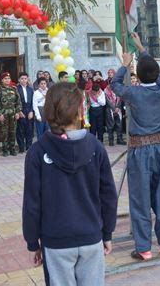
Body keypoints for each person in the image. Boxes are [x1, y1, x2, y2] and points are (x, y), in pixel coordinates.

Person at [22, 82, 117, 286]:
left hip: (56, 240)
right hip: (91, 236)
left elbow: (32, 202)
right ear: (80, 110)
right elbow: (108, 196)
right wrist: (107, 233)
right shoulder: (96, 147)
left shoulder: (37, 152)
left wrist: (33, 242)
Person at [111, 32, 160, 261]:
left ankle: (144, 248)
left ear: (137, 75)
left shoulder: (133, 93)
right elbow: (153, 72)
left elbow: (114, 84)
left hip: (140, 150)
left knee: (140, 200)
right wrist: (141, 49)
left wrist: (124, 65)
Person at [0, 72, 22, 156]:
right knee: (4, 133)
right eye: (5, 79)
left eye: (8, 79)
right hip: (4, 114)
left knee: (12, 132)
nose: (7, 80)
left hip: (13, 114)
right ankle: (5, 150)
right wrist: (0, 114)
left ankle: (12, 149)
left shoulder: (14, 89)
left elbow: (18, 102)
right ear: (2, 80)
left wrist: (17, 112)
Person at [16, 72, 34, 153]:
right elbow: (14, 102)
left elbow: (33, 101)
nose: (24, 80)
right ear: (19, 79)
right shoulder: (16, 89)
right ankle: (21, 148)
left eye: (25, 79)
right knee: (20, 130)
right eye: (22, 79)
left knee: (29, 130)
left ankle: (29, 147)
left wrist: (31, 111)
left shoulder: (30, 89)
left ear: (27, 79)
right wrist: (19, 111)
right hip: (21, 110)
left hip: (29, 109)